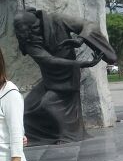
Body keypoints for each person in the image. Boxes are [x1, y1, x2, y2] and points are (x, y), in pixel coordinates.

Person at [13, 8, 115, 145]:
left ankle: (68, 134)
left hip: (68, 76)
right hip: (50, 79)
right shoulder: (28, 40)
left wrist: (80, 39)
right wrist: (81, 63)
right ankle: (45, 136)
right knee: (25, 110)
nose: (34, 33)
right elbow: (49, 60)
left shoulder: (58, 20)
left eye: (35, 29)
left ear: (36, 24)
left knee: (48, 103)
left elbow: (89, 25)